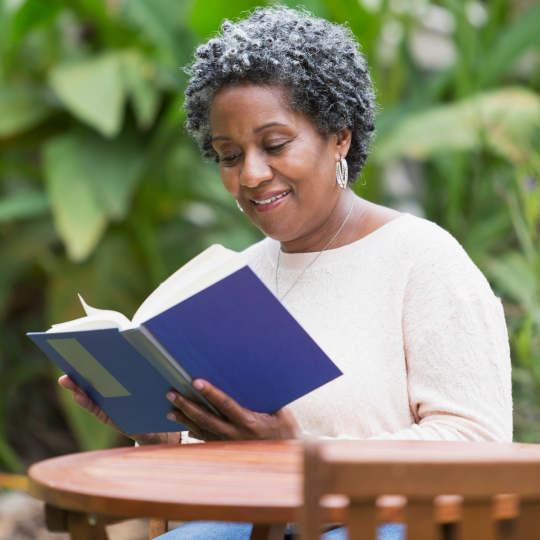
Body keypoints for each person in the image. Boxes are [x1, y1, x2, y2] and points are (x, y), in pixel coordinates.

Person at [58, 6, 512, 539]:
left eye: (274, 145)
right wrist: (162, 438)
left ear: (338, 137)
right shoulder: (232, 281)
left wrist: (298, 457)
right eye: (229, 156)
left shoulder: (421, 259)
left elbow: (479, 445)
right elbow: (234, 475)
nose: (251, 174)